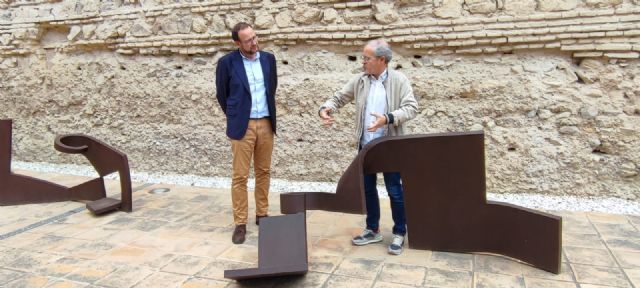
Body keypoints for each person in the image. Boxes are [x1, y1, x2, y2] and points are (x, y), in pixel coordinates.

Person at [318, 39, 418, 255]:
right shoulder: (361, 80)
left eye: (367, 58)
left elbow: (411, 108)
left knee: (395, 191)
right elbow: (339, 97)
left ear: (381, 60)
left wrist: (388, 118)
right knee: (368, 189)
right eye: (363, 57)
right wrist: (325, 108)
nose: (362, 62)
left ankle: (400, 232)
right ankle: (372, 229)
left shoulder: (399, 80)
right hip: (366, 145)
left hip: (390, 145)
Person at [215, 22, 278, 244]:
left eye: (255, 37)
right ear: (237, 43)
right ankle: (240, 223)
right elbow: (222, 95)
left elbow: (272, 88)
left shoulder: (269, 59)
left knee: (264, 171)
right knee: (240, 176)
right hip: (243, 126)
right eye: (249, 40)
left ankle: (262, 214)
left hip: (266, 124)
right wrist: (236, 116)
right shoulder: (226, 63)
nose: (255, 42)